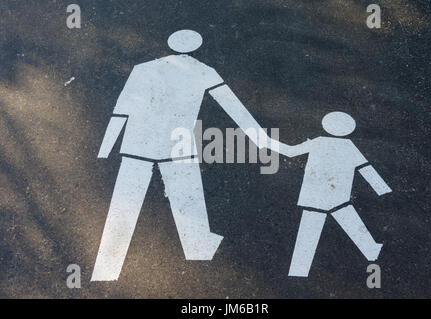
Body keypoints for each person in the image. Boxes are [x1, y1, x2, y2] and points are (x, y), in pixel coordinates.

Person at [91, 30, 299, 281]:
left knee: (123, 206)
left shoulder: (144, 68)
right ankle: (200, 255)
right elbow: (234, 108)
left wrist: (105, 148)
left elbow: (122, 110)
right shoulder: (204, 71)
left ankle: (105, 269)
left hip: (137, 145)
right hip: (177, 146)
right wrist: (262, 140)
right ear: (196, 46)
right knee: (189, 205)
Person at [288, 111, 392, 277]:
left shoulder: (318, 142)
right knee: (350, 221)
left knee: (309, 231)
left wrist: (268, 143)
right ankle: (372, 251)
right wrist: (382, 188)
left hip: (314, 196)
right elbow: (365, 168)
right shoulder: (349, 145)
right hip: (338, 196)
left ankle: (299, 270)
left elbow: (290, 151)